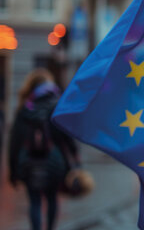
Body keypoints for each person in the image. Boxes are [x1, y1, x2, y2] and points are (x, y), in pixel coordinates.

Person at [9, 68, 79, 230]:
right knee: (52, 198)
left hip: (28, 162)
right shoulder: (57, 105)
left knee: (34, 201)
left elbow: (15, 142)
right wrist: (75, 160)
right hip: (54, 162)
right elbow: (66, 136)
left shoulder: (25, 108)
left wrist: (13, 170)